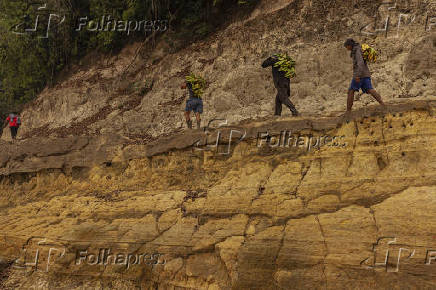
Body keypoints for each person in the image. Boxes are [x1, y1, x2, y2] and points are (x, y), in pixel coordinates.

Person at [344, 38, 385, 112]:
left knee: (351, 91)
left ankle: (348, 112)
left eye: (346, 46)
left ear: (349, 45)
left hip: (359, 75)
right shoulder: (358, 49)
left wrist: (358, 75)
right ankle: (383, 105)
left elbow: (360, 63)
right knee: (370, 89)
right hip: (366, 74)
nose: (346, 48)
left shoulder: (356, 51)